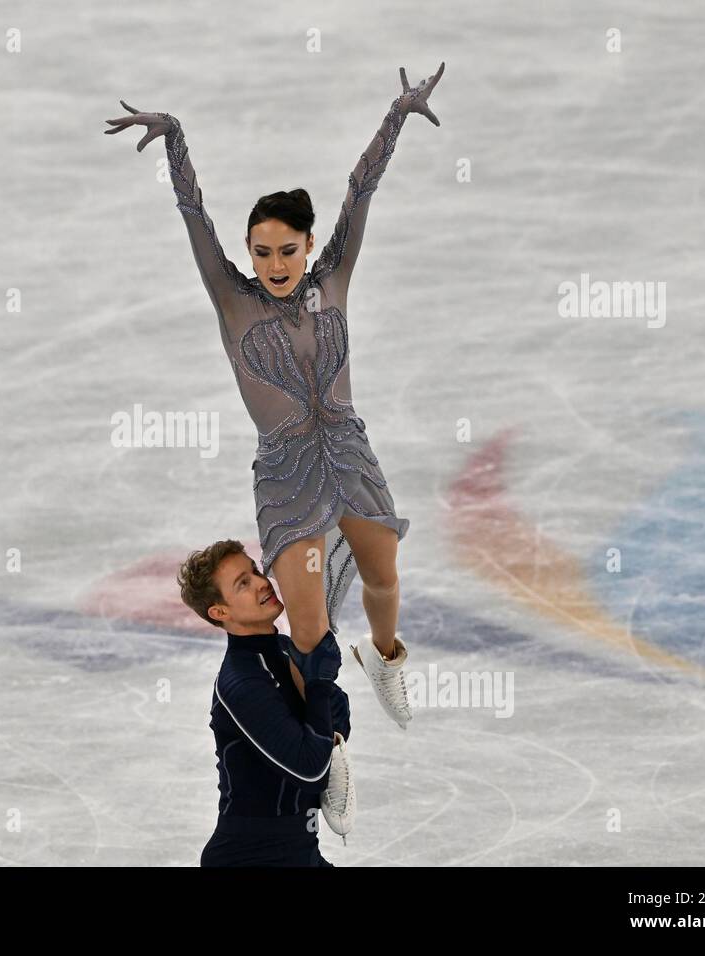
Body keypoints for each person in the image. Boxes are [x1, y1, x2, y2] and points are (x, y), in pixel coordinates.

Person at [105, 63, 445, 729]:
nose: (276, 264)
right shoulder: (234, 302)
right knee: (311, 635)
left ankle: (384, 656)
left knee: (382, 573)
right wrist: (174, 139)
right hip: (289, 476)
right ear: (250, 255)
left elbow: (360, 189)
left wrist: (397, 115)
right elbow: (194, 215)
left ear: (309, 245)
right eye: (262, 253)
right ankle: (327, 749)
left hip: (349, 453)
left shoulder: (335, 277)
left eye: (288, 250)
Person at [178, 540, 354, 867]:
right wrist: (316, 685)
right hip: (250, 858)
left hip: (301, 852)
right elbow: (312, 771)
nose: (262, 582)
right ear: (220, 612)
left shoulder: (286, 650)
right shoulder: (241, 683)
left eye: (255, 571)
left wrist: (322, 684)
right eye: (243, 583)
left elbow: (338, 722)